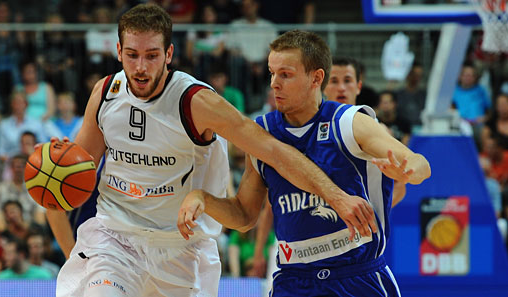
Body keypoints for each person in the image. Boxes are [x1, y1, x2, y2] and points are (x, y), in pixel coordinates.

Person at [48, 5, 376, 297]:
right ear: (118, 51)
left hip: (180, 248)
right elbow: (79, 174)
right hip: (115, 237)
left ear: (169, 54)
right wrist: (52, 171)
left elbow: (274, 152)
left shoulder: (196, 102)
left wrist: (337, 196)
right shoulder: (106, 93)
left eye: (152, 55)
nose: (141, 67)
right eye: (132, 55)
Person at [178, 30, 431, 296]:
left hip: (357, 277)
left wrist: (408, 170)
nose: (274, 83)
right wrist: (203, 199)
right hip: (295, 280)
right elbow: (244, 216)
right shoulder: (262, 134)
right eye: (272, 73)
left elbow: (419, 163)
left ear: (316, 78)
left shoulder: (350, 123)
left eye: (285, 75)